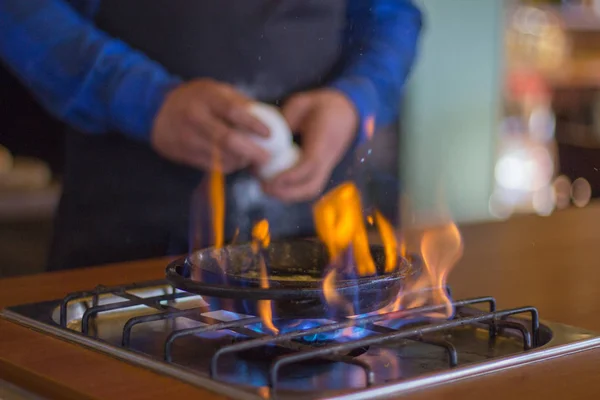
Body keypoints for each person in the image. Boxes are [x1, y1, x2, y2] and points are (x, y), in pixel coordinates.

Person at [0, 0, 422, 270]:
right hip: (128, 248)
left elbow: (392, 13)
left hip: (319, 248)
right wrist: (139, 98)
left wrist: (356, 97)